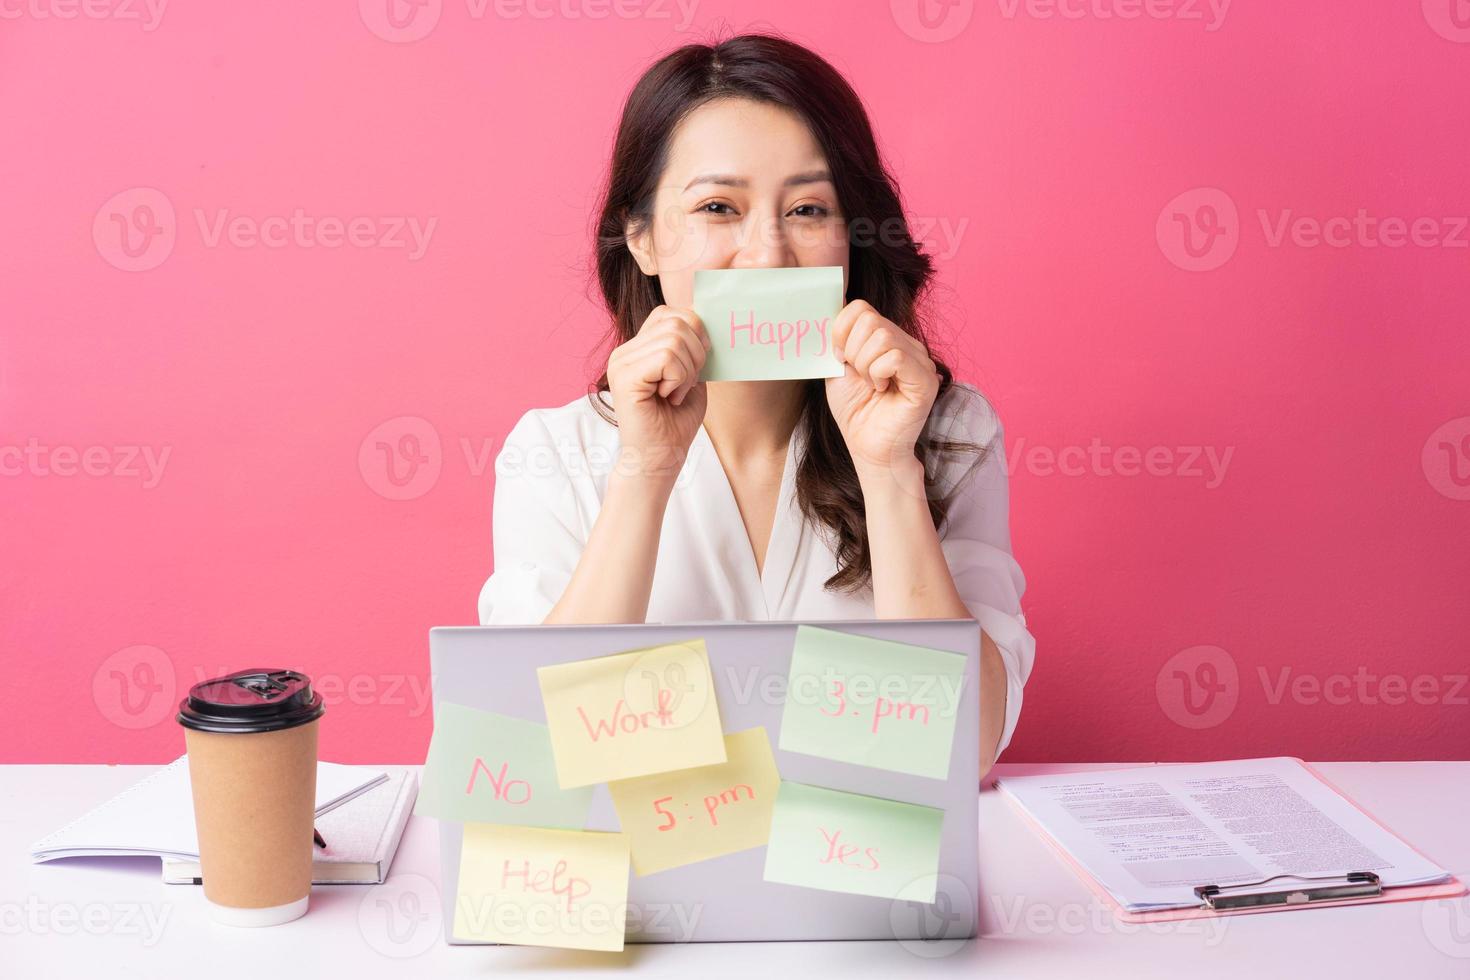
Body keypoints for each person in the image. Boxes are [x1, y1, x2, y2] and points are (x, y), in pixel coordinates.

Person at [478, 33, 1034, 775]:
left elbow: (963, 748)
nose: (768, 254)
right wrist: (644, 470)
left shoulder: (947, 432)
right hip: (651, 881)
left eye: (807, 209)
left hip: (863, 873)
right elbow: (537, 756)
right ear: (641, 237)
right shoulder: (553, 454)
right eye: (717, 207)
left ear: (850, 237)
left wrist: (889, 469)